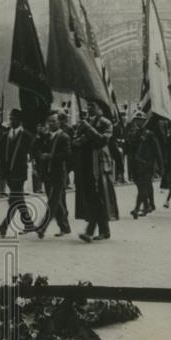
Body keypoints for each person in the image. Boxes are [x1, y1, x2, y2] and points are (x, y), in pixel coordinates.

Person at [73, 101, 119, 241]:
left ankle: (90, 231)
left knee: (97, 197)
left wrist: (88, 129)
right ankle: (104, 231)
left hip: (99, 166)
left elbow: (101, 141)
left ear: (100, 109)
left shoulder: (106, 123)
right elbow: (76, 141)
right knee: (93, 198)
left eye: (92, 106)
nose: (89, 108)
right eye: (88, 105)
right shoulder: (84, 122)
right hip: (85, 164)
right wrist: (80, 138)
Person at [34, 112, 71, 238]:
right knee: (57, 202)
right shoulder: (46, 137)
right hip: (47, 173)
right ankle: (65, 227)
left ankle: (42, 227)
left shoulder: (64, 137)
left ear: (59, 122)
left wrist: (51, 156)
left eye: (53, 121)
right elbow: (37, 150)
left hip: (59, 173)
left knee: (53, 201)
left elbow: (67, 154)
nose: (50, 124)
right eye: (49, 121)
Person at [129, 115, 163, 218]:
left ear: (144, 121)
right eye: (137, 120)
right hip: (136, 164)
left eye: (141, 120)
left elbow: (157, 150)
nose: (138, 122)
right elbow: (130, 150)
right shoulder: (133, 134)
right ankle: (148, 205)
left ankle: (137, 208)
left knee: (143, 186)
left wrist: (160, 165)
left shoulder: (149, 134)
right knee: (141, 186)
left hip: (147, 164)